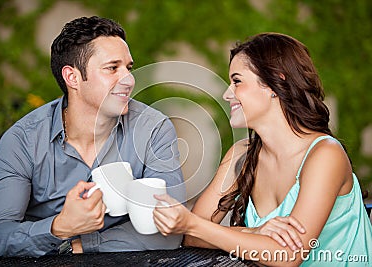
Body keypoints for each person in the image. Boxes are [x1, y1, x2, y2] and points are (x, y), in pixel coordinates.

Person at [153, 33, 372, 266]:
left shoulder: (326, 155)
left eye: (237, 81)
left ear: (275, 83)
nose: (227, 94)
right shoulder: (242, 155)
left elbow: (287, 255)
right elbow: (193, 238)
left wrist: (192, 224)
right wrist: (255, 232)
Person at [0, 16, 185, 258]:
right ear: (72, 77)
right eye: (112, 68)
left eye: (128, 68)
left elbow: (170, 229)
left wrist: (80, 245)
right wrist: (59, 228)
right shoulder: (23, 141)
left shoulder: (153, 129)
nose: (129, 80)